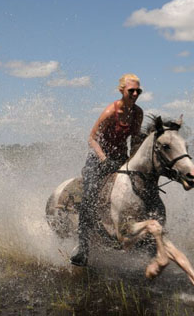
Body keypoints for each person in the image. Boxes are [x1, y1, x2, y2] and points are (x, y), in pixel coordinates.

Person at [70, 73, 144, 266]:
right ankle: (83, 248)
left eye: (138, 90)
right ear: (122, 91)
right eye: (131, 90)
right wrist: (103, 159)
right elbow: (91, 138)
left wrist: (134, 159)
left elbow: (135, 139)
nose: (135, 93)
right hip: (99, 159)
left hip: (121, 158)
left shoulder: (138, 113)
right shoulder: (111, 112)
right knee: (90, 195)